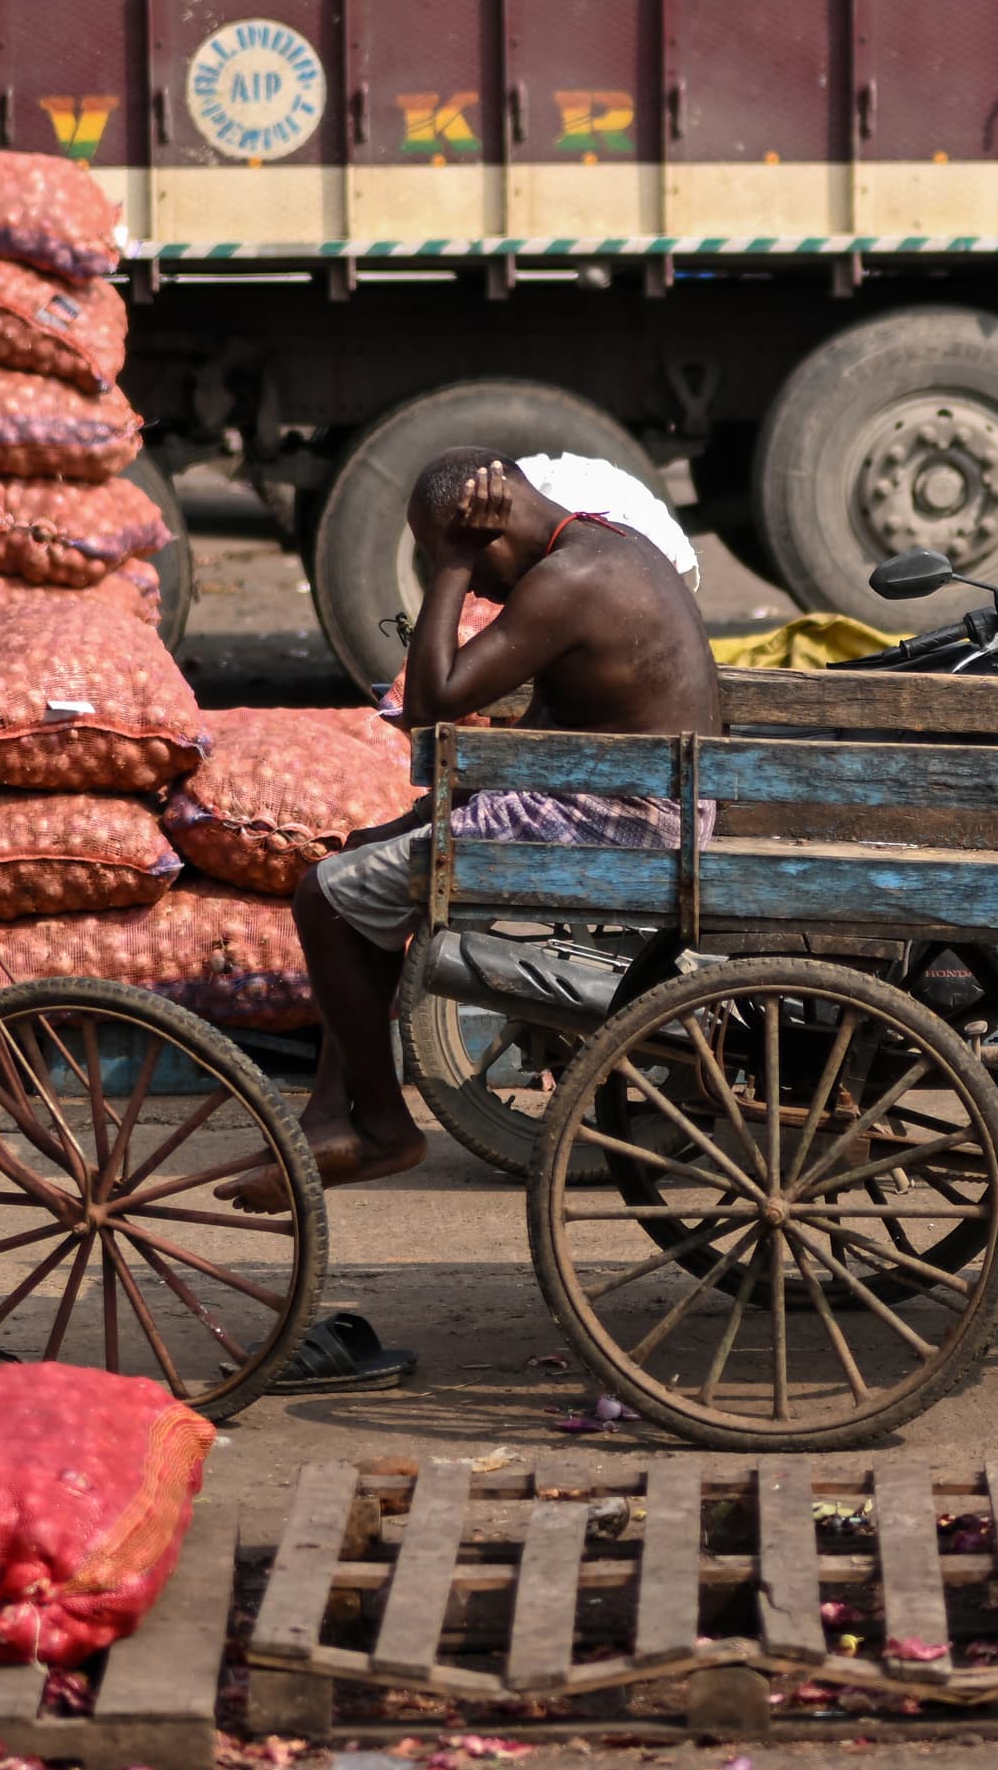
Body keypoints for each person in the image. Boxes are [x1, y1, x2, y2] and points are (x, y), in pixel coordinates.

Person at [220, 445, 724, 1210]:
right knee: (362, 861)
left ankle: (385, 1127)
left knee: (323, 896)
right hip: (626, 799)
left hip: (620, 819)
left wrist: (451, 566)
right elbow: (566, 714)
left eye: (443, 553)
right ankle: (328, 1115)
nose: (475, 583)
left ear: (481, 531)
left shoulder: (568, 582)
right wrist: (448, 805)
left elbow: (432, 703)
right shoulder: (608, 545)